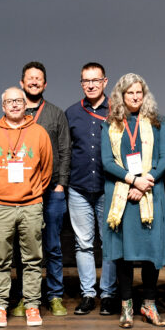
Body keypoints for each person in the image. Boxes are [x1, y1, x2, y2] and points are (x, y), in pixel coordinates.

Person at [101, 73, 165, 328]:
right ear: (121, 96)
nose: (134, 97)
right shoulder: (110, 124)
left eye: (138, 92)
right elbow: (107, 161)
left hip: (151, 193)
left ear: (144, 95)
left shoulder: (158, 122)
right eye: (129, 93)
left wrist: (145, 182)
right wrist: (133, 180)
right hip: (121, 195)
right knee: (123, 254)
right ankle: (127, 306)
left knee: (152, 252)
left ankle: (149, 305)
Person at [0, 87, 53, 327]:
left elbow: (47, 169)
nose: (14, 105)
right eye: (9, 101)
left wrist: (33, 191)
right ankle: (0, 306)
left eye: (18, 100)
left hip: (31, 205)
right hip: (0, 206)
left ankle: (32, 305)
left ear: (25, 104)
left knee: (32, 260)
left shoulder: (39, 132)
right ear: (3, 106)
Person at [16, 61, 71, 317]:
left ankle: (55, 295)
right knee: (25, 247)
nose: (34, 82)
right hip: (23, 191)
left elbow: (65, 151)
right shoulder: (14, 113)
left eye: (39, 78)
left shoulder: (56, 114)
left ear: (45, 84)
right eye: (30, 78)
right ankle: (27, 296)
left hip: (51, 190)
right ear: (22, 83)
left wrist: (60, 185)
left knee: (53, 246)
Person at [64, 62, 118, 316]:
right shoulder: (72, 113)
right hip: (79, 188)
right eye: (86, 81)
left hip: (108, 187)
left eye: (96, 80)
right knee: (83, 244)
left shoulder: (117, 111)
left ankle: (108, 294)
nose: (91, 85)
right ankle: (88, 294)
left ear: (105, 82)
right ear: (81, 84)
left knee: (109, 243)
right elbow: (66, 151)